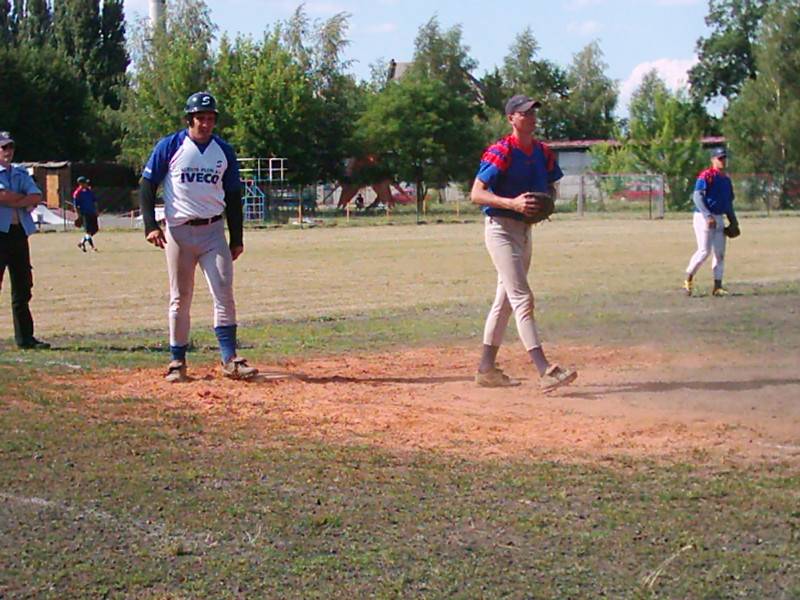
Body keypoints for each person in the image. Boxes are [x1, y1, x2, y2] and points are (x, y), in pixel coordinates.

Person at [139, 92, 258, 383]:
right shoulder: (171, 146)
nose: (205, 124)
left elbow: (233, 196)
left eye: (210, 118)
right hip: (178, 231)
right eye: (200, 118)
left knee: (224, 291)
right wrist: (150, 226)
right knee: (180, 298)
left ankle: (230, 359)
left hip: (213, 231)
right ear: (189, 119)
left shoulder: (223, 151)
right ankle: (177, 361)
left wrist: (237, 238)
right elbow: (147, 184)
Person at [470, 95, 577, 392]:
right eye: (525, 113)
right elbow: (476, 193)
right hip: (500, 230)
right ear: (511, 119)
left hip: (525, 231)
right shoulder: (501, 151)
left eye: (533, 113)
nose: (532, 117)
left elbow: (551, 187)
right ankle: (545, 370)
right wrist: (512, 204)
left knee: (504, 302)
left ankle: (486, 369)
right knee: (522, 298)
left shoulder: (543, 153)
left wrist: (547, 203)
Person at [0, 131, 50, 349]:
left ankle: (25, 338)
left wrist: (15, 200)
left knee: (23, 286)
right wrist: (22, 200)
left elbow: (37, 196)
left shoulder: (20, 173)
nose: (7, 152)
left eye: (10, 147)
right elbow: (2, 196)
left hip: (18, 233)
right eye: (3, 148)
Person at [684, 147, 738, 297]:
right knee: (704, 251)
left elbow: (728, 203)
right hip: (703, 217)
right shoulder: (706, 175)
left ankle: (717, 286)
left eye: (724, 158)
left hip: (719, 216)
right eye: (719, 158)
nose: (723, 161)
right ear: (712, 160)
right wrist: (708, 216)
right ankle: (688, 278)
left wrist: (734, 222)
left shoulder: (726, 180)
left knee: (720, 254)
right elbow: (697, 197)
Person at [72, 176, 100, 251]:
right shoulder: (77, 193)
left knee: (95, 230)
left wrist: (96, 210)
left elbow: (94, 201)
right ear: (80, 183)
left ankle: (81, 243)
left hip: (92, 212)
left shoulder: (89, 191)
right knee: (88, 231)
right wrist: (78, 215)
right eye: (85, 182)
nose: (86, 184)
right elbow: (75, 205)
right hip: (84, 213)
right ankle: (92, 247)